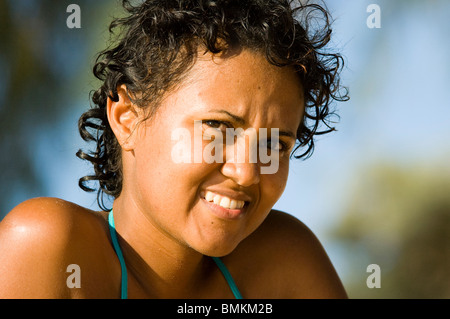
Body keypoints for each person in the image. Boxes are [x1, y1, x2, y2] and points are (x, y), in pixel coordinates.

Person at [0, 0, 348, 298]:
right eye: (217, 127)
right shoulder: (51, 248)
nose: (247, 172)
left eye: (274, 144)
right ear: (127, 118)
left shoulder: (283, 264)